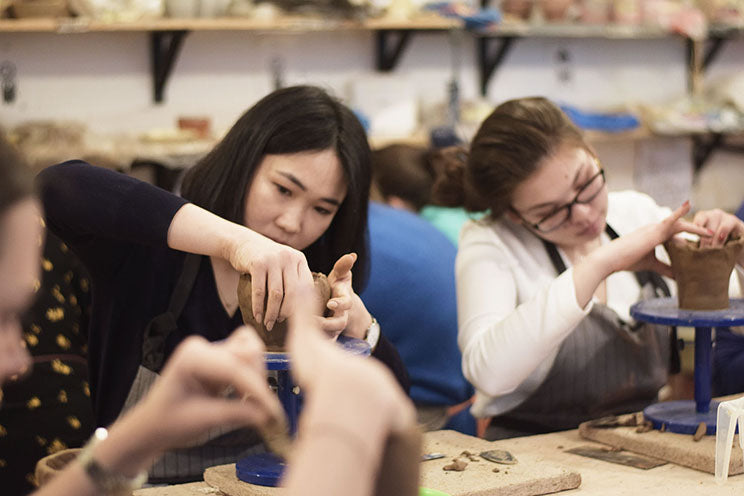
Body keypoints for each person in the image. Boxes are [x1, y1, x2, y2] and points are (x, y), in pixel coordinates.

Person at [1, 133, 421, 496]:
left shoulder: (316, 279)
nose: (293, 223)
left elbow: (402, 421)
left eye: (323, 209)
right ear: (242, 165)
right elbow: (59, 185)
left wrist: (360, 327)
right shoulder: (152, 254)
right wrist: (236, 242)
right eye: (283, 189)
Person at [434, 96, 744, 439]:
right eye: (550, 212)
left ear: (591, 151)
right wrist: (601, 264)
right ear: (515, 215)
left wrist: (736, 251)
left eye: (584, 184)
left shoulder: (635, 213)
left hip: (640, 440)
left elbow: (730, 297)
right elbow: (488, 373)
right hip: (530, 450)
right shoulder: (492, 241)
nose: (583, 214)